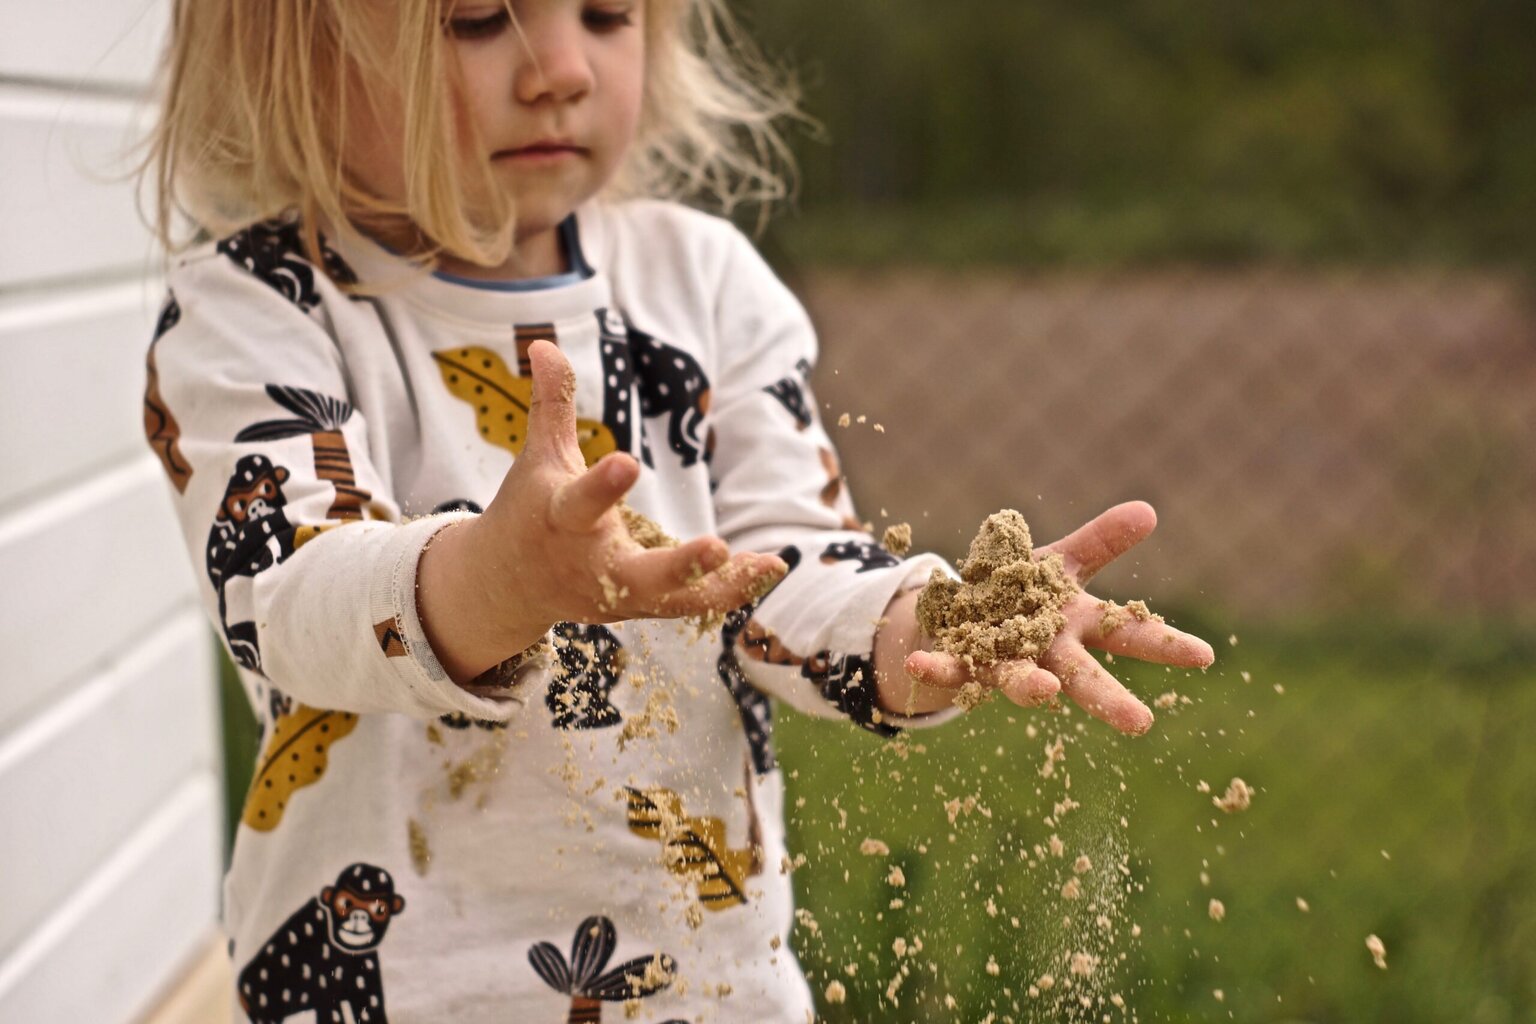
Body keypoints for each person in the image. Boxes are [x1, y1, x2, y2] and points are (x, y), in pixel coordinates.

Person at [140, 0, 1215, 1019]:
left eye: (608, 14)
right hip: (388, 985)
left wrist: (931, 625)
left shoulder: (702, 280)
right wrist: (494, 583)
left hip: (707, 988)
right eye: (476, 18)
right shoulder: (259, 304)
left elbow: (792, 567)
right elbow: (286, 598)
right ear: (296, 46)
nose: (560, 69)